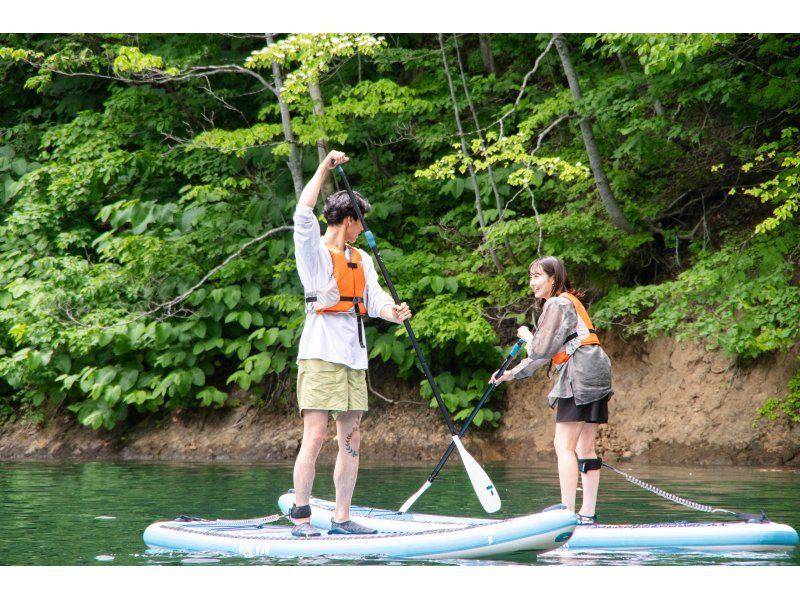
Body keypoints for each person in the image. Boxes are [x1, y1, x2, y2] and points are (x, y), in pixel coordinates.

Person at [289, 149, 412, 536]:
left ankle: (342, 518)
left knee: (352, 437)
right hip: (320, 354)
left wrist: (394, 312)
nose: (362, 230)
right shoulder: (314, 253)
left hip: (353, 358)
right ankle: (302, 516)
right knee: (316, 434)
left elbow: (375, 302)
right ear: (347, 220)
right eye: (359, 223)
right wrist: (325, 167)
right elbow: (302, 212)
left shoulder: (362, 259)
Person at [490, 256, 612, 525]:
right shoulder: (568, 301)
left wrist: (526, 337)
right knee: (585, 447)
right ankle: (588, 515)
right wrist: (510, 374)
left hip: (580, 374)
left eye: (537, 276)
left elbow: (540, 349)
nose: (532, 283)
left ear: (553, 278)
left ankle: (566, 515)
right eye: (530, 277)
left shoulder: (557, 303)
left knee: (563, 445)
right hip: (598, 371)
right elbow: (548, 353)